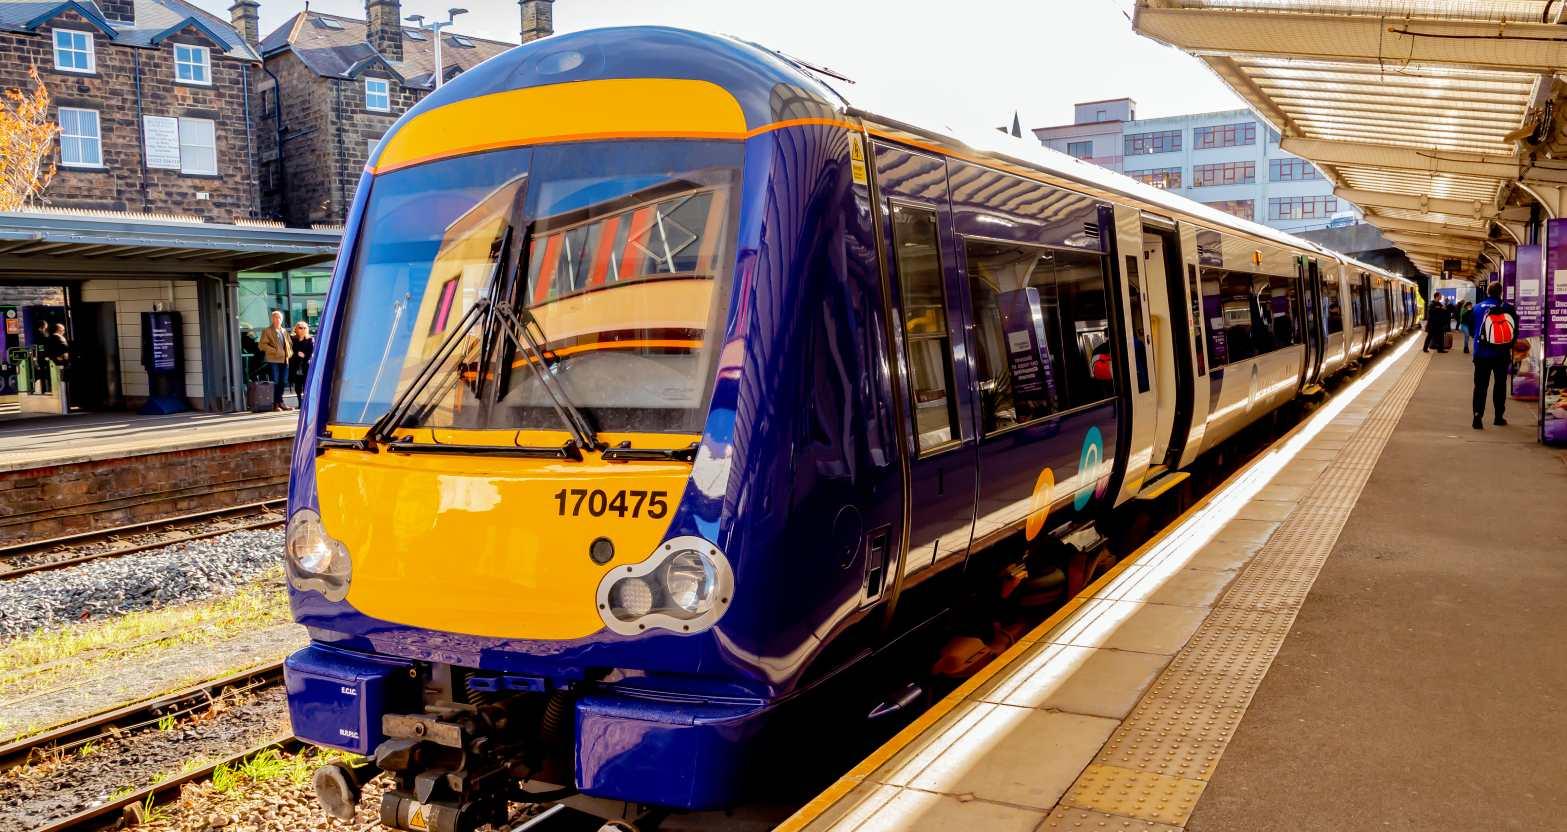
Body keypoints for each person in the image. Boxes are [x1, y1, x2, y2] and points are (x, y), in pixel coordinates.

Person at [1471, 281, 1518, 430]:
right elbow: (1514, 333)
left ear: (1488, 292)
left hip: (1481, 354)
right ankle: (1498, 417)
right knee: (1500, 385)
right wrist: (1507, 347)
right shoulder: (1508, 308)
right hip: (1501, 355)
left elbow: (1472, 331)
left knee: (1480, 386)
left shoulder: (1477, 308)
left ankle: (1477, 417)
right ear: (1501, 293)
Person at [258, 310, 293, 411]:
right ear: (272, 319)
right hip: (273, 360)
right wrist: (275, 351)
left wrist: (289, 353)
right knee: (276, 381)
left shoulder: (284, 331)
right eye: (275, 317)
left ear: (281, 319)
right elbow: (262, 345)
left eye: (279, 318)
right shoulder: (267, 331)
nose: (277, 319)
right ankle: (275, 404)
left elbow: (290, 344)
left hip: (284, 360)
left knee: (283, 382)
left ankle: (280, 402)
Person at [289, 321, 314, 405]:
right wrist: (296, 354)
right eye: (300, 328)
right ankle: (300, 402)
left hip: (305, 365)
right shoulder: (292, 339)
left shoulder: (310, 339)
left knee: (305, 384)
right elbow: (289, 351)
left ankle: (305, 402)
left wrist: (305, 356)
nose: (303, 329)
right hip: (295, 365)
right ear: (296, 329)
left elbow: (312, 352)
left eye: (305, 328)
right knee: (297, 385)